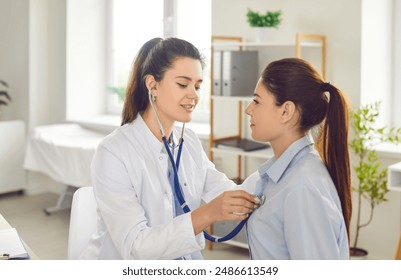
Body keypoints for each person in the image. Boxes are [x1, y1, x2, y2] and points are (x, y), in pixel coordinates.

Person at [80, 37, 257, 260]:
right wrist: (207, 213)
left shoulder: (189, 142)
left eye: (198, 86)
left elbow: (225, 190)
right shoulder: (113, 152)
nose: (194, 95)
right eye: (183, 84)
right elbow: (136, 247)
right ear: (152, 85)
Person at [242, 57, 352, 259]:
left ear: (286, 111)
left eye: (257, 101)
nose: (248, 109)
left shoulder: (302, 188)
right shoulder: (284, 172)